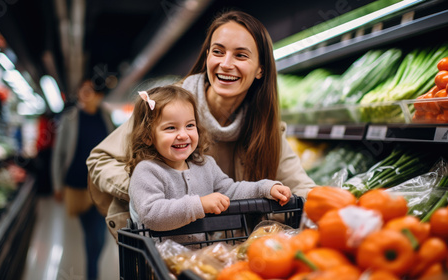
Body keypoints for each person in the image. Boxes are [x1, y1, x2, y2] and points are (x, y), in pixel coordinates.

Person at [87, 10, 316, 240]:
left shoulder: (264, 126)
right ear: (207, 56)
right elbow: (100, 160)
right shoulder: (169, 108)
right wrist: (152, 189)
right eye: (218, 52)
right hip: (166, 247)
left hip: (231, 250)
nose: (226, 64)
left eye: (241, 55)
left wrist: (337, 206)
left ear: (260, 69)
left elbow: (299, 184)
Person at [127, 85, 291, 233]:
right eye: (171, 128)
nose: (183, 135)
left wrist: (264, 188)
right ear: (148, 136)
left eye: (190, 125)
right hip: (160, 259)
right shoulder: (147, 171)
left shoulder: (205, 165)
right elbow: (152, 215)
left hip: (201, 256)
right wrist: (200, 204)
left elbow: (231, 191)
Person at [51, 78, 116, 280]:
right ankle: (92, 273)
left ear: (99, 96)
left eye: (90, 91)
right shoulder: (70, 118)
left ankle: (92, 273)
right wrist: (57, 185)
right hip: (76, 186)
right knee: (91, 234)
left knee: (97, 237)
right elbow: (59, 153)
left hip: (100, 186)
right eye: (82, 90)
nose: (85, 95)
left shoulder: (106, 118)